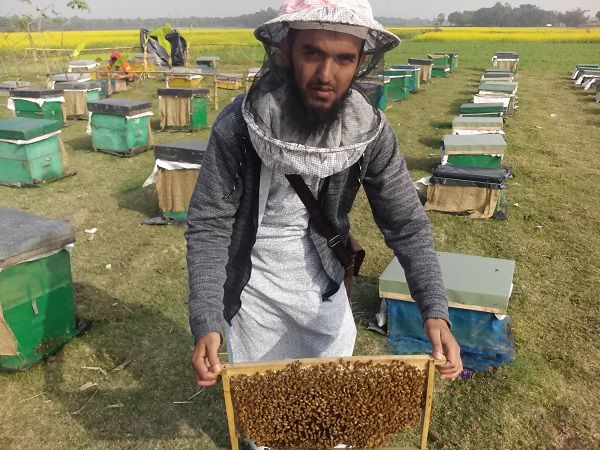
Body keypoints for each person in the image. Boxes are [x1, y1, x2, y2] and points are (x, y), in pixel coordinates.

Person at [186, 0, 463, 389]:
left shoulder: (371, 132)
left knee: (328, 393)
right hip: (252, 282)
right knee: (263, 399)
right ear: (286, 51)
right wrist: (207, 318)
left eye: (344, 59)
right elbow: (209, 225)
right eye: (312, 53)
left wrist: (434, 309)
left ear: (361, 61)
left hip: (324, 277)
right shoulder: (237, 125)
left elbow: (406, 224)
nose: (326, 75)